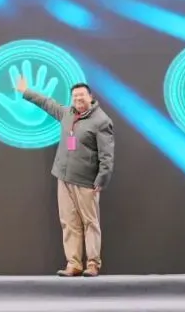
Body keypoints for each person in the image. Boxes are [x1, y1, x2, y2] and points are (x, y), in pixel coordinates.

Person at [17, 76, 114, 277]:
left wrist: (102, 179)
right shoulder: (67, 113)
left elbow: (107, 155)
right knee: (69, 222)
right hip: (63, 177)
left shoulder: (101, 121)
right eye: (75, 96)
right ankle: (74, 264)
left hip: (86, 180)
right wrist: (26, 92)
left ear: (90, 97)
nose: (78, 99)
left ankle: (93, 264)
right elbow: (47, 103)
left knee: (90, 223)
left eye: (81, 95)